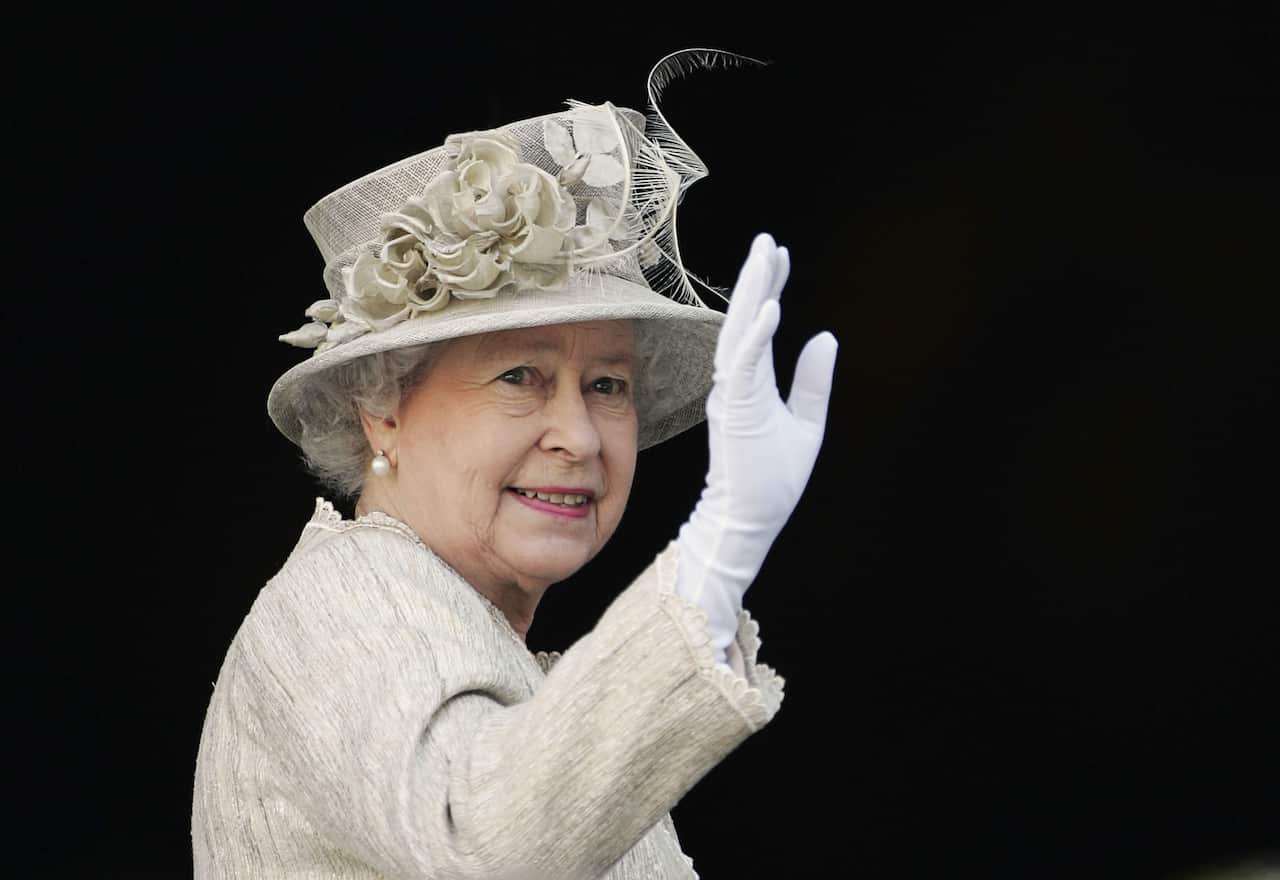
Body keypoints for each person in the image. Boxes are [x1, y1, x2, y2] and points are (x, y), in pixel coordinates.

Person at [191, 49, 838, 879]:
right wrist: (722, 545)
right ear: (382, 407)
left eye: (607, 384)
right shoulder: (346, 600)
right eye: (519, 377)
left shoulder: (479, 641)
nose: (578, 435)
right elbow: (481, 842)